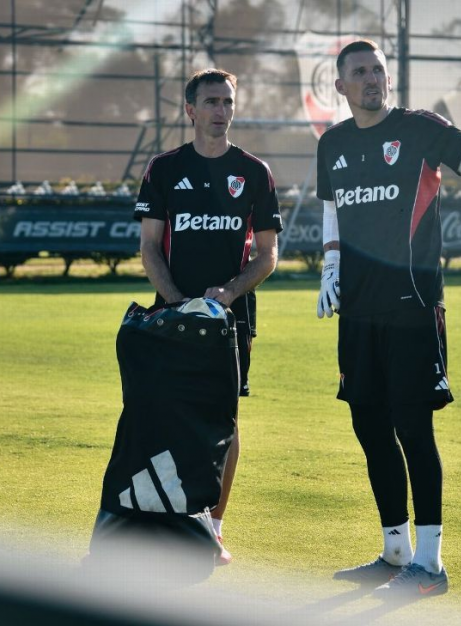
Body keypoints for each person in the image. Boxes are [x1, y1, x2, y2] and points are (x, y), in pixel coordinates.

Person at [314, 39, 461, 598]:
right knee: (368, 426)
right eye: (360, 72)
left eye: (378, 69)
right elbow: (332, 209)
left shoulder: (421, 127)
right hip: (357, 313)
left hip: (413, 308)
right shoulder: (333, 143)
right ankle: (394, 550)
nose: (372, 78)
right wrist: (330, 266)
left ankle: (429, 564)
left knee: (412, 428)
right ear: (341, 86)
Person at [135, 68, 283, 566]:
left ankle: (212, 529)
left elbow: (267, 255)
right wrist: (176, 302)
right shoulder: (163, 168)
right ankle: (165, 522)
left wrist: (229, 293)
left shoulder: (255, 172)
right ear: (191, 110)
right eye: (212, 102)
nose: (221, 111)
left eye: (228, 102)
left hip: (230, 322)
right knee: (164, 417)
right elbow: (149, 248)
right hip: (171, 318)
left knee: (224, 423)